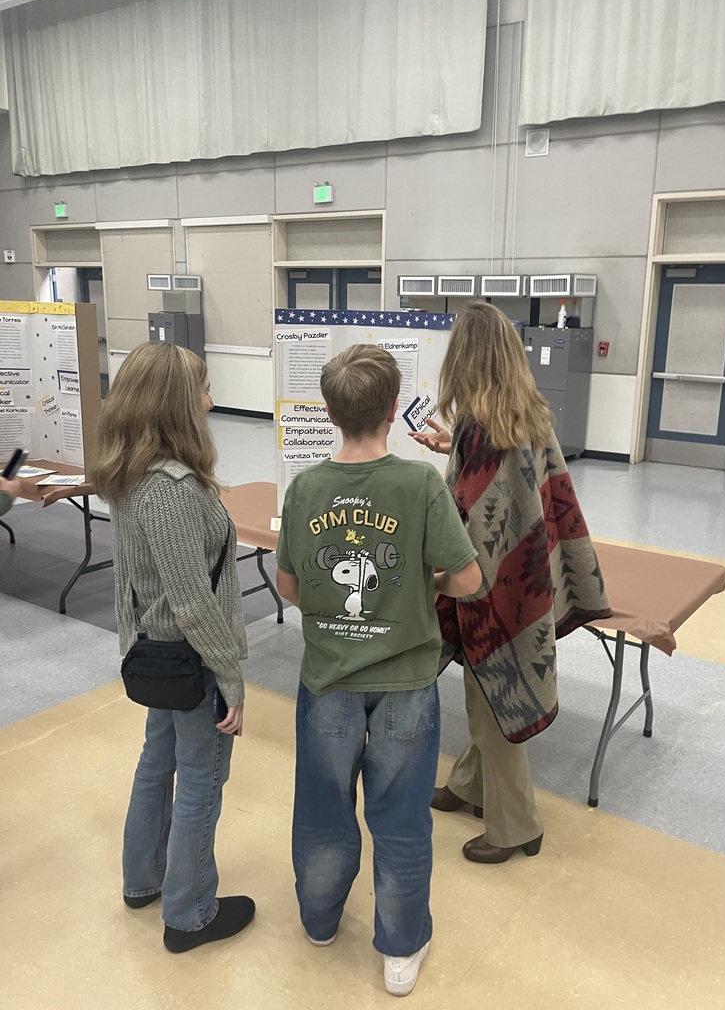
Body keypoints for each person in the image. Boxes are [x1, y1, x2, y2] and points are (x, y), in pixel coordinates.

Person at [275, 344, 481, 997]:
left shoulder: (305, 488)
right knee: (400, 816)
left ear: (330, 412)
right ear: (395, 410)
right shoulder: (421, 485)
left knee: (322, 808)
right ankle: (399, 948)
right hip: (407, 686)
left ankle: (319, 919)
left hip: (328, 679)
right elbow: (468, 578)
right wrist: (422, 590)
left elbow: (289, 587)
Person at [409, 302, 610, 865]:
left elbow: (478, 517)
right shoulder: (518, 416)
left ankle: (516, 826)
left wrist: (436, 579)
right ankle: (472, 786)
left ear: (467, 361)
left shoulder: (492, 430)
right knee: (481, 697)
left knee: (493, 701)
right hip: (520, 586)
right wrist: (453, 448)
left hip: (493, 593)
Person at [90, 341, 255, 953]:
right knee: (201, 781)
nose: (213, 400)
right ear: (179, 404)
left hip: (153, 652)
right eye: (205, 389)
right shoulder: (174, 490)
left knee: (156, 766)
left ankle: (144, 879)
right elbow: (193, 603)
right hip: (189, 662)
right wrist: (231, 678)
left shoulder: (128, 473)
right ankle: (189, 912)